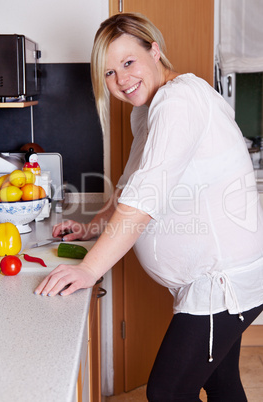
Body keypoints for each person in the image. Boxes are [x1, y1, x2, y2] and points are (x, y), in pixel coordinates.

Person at [35, 13, 263, 402]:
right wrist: (92, 228)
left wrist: (90, 268)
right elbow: (130, 188)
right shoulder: (149, 111)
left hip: (221, 285)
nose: (121, 80)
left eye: (128, 62)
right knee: (221, 383)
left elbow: (143, 202)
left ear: (154, 51)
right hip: (212, 283)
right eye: (109, 73)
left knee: (166, 393)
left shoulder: (180, 100)